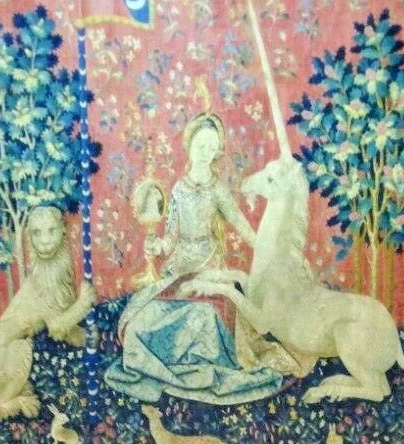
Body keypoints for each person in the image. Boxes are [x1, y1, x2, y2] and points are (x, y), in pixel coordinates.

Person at [105, 102, 283, 407]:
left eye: (211, 146)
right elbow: (170, 237)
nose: (205, 150)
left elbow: (240, 222)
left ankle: (192, 363)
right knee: (143, 321)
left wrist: (266, 249)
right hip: (177, 268)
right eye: (201, 144)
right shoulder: (177, 190)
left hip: (209, 268)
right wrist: (157, 247)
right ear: (189, 145)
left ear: (217, 151)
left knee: (205, 314)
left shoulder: (217, 191)